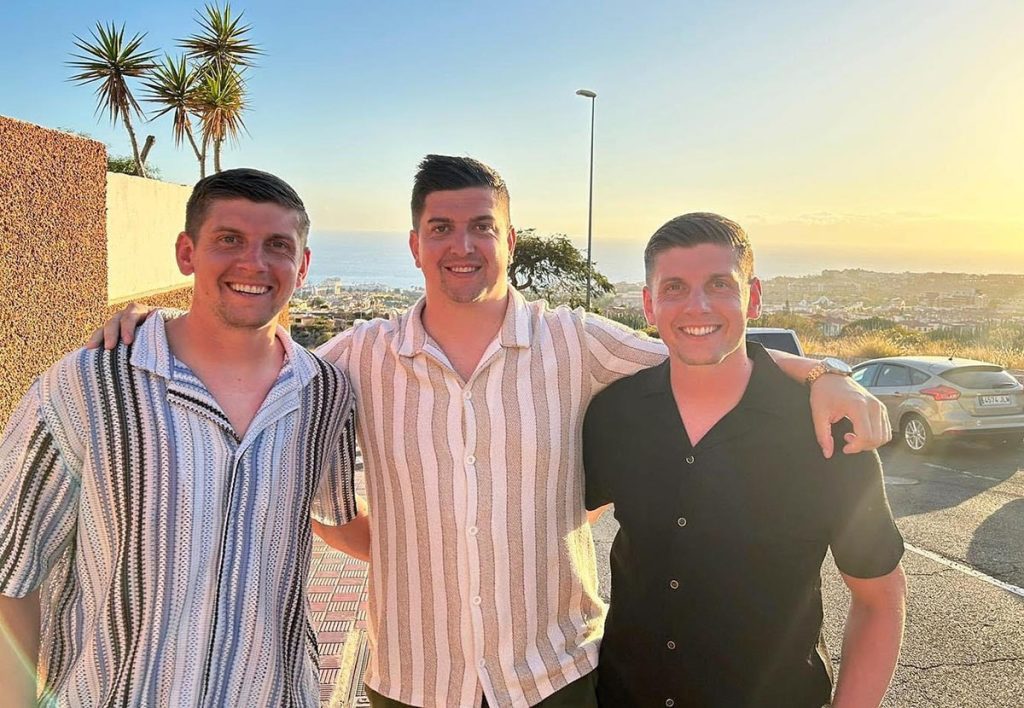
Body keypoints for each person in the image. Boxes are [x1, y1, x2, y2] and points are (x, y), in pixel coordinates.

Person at [91, 156, 890, 708]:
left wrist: (826, 373)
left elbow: (704, 348)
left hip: (557, 679)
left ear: (510, 241)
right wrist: (164, 324)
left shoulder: (575, 341)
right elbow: (255, 376)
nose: (462, 245)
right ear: (415, 245)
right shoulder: (359, 357)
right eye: (441, 228)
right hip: (411, 682)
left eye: (481, 226)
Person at [0, 168, 369, 707]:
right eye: (229, 239)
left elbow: (335, 517)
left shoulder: (325, 392)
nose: (254, 262)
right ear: (186, 252)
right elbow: (12, 565)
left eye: (277, 245)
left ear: (303, 265)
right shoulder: (92, 381)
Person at [583, 213, 906, 707]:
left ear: (753, 297)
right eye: (674, 287)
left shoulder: (826, 430)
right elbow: (565, 532)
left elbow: (879, 600)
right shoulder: (615, 414)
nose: (697, 306)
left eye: (719, 284)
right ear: (649, 304)